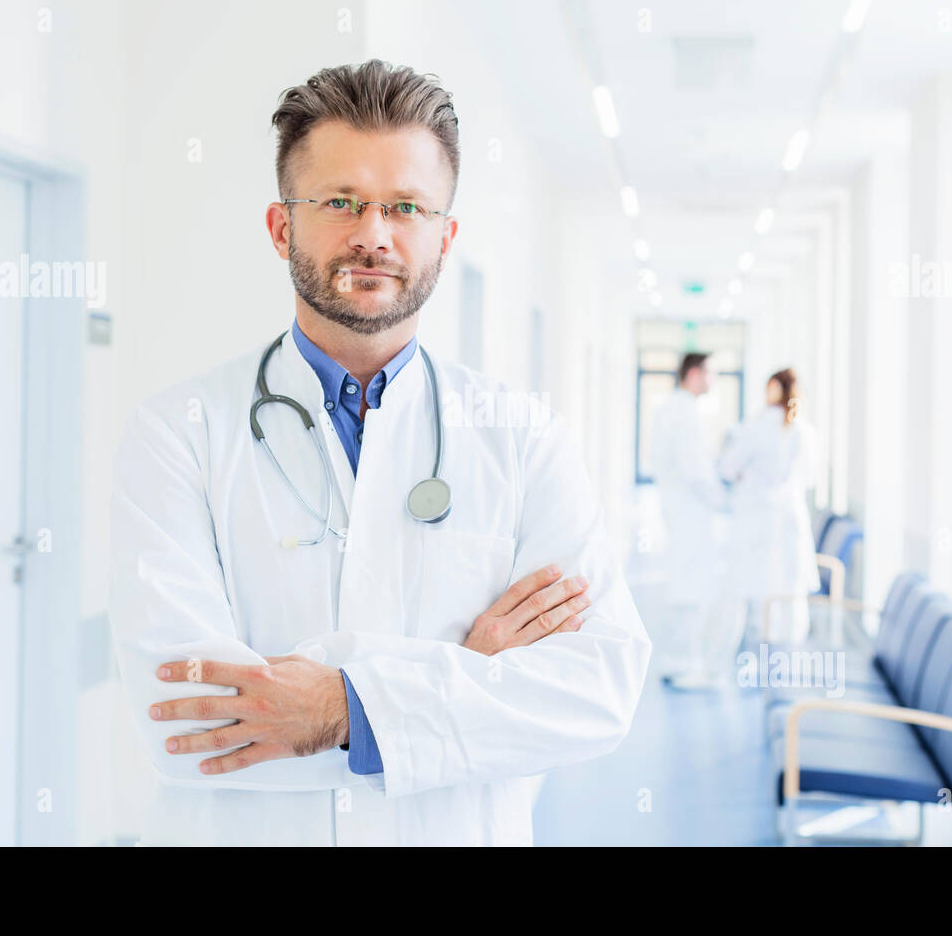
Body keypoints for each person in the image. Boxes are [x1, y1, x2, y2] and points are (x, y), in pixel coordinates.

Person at [108, 59, 651, 846]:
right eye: (341, 202)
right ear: (281, 226)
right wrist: (470, 673)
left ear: (445, 235)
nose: (374, 234)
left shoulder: (523, 437)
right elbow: (190, 724)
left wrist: (339, 707)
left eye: (406, 206)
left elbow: (598, 692)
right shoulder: (177, 433)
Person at [717, 368, 820, 644]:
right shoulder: (804, 431)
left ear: (773, 388)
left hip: (757, 520)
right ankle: (790, 651)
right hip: (790, 519)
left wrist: (746, 476)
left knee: (757, 590)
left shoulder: (758, 426)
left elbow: (728, 467)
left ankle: (760, 651)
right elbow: (809, 479)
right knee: (790, 588)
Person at [647, 353, 732, 686]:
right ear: (695, 373)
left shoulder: (674, 408)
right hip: (690, 510)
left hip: (682, 509)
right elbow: (695, 470)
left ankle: (679, 661)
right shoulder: (683, 412)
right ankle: (683, 664)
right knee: (691, 585)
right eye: (711, 373)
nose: (713, 380)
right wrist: (724, 501)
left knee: (687, 580)